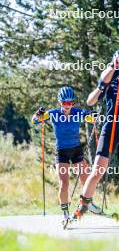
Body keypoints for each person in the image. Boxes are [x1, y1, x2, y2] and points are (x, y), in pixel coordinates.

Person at [73, 49, 119, 225]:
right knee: (97, 171)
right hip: (110, 127)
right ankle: (82, 206)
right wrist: (112, 68)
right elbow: (90, 101)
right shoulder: (110, 75)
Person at [32, 86, 101, 223]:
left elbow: (93, 119)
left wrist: (95, 115)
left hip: (76, 150)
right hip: (62, 152)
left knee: (86, 178)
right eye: (64, 102)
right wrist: (38, 113)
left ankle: (88, 203)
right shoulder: (53, 114)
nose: (67, 105)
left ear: (73, 103)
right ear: (60, 103)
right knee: (64, 183)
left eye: (70, 102)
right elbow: (34, 121)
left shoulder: (78, 112)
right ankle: (65, 213)